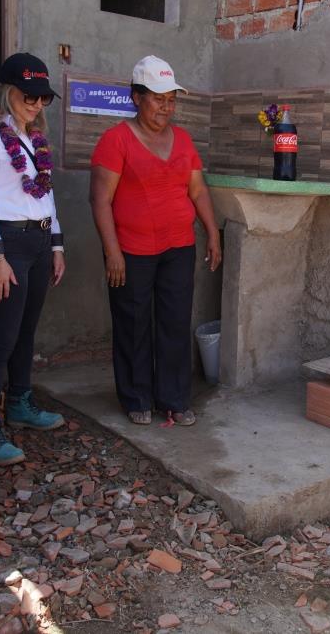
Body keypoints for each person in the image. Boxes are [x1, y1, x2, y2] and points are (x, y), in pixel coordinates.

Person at [89, 55, 222, 426]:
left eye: (171, 99)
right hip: (131, 250)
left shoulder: (182, 139)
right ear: (136, 97)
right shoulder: (115, 141)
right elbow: (99, 200)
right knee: (133, 324)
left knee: (175, 322)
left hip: (179, 246)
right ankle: (137, 397)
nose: (166, 106)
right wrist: (112, 251)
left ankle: (175, 400)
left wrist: (212, 232)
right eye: (158, 97)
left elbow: (197, 190)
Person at [0, 53, 67, 465]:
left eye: (43, 98)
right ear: (7, 91)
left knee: (26, 331)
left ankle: (21, 404)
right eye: (29, 95)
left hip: (38, 243)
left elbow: (46, 193)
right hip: (6, 244)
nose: (37, 104)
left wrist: (56, 245)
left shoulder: (34, 138)